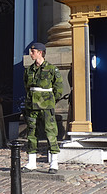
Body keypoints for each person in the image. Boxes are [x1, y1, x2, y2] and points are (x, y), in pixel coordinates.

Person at [22, 42, 63, 174]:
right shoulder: (29, 70)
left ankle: (54, 163)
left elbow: (58, 89)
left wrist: (50, 101)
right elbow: (27, 87)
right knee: (31, 133)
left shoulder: (52, 69)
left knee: (50, 132)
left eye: (32, 51)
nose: (30, 53)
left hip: (46, 106)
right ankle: (31, 162)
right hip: (31, 106)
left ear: (40, 52)